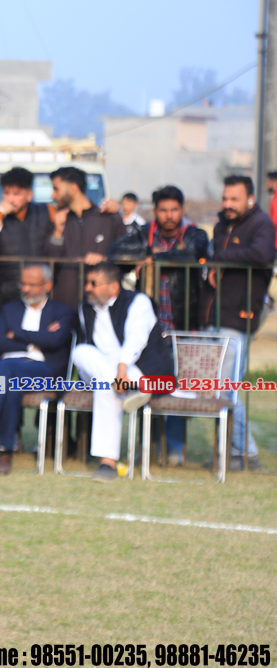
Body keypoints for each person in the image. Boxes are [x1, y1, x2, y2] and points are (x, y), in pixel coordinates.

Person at [108, 185, 208, 465]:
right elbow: (115, 252)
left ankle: (174, 450)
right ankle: (147, 448)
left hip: (184, 326)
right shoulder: (144, 233)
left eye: (174, 209)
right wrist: (146, 253)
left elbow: (194, 254)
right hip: (151, 331)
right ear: (155, 211)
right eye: (163, 210)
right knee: (146, 385)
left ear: (182, 210)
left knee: (177, 387)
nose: (169, 215)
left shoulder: (194, 233)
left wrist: (154, 258)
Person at [0, 263, 74, 475]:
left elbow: (56, 341)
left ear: (47, 285)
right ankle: (5, 453)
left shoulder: (62, 312)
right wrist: (34, 342)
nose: (26, 289)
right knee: (11, 382)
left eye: (32, 285)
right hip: (11, 372)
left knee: (5, 367)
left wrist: (16, 333)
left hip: (43, 371)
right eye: (23, 284)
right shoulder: (10, 309)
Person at [200, 175, 277, 471]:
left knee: (226, 388)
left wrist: (221, 258)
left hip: (239, 316)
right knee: (215, 389)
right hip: (213, 315)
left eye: (234, 199)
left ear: (250, 199)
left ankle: (246, 453)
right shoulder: (222, 224)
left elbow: (262, 254)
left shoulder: (261, 224)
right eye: (225, 198)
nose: (228, 204)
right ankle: (231, 451)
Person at [73, 262, 174, 482]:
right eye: (87, 283)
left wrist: (121, 371)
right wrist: (117, 377)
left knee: (105, 386)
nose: (87, 288)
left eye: (93, 283)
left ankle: (107, 463)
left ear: (113, 286)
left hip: (139, 370)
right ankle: (128, 389)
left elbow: (135, 339)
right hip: (109, 372)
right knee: (79, 352)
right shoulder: (85, 307)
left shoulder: (138, 302)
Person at [0, 167, 55, 317]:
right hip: (7, 294)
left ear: (29, 195)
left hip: (42, 294)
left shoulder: (47, 211)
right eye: (7, 193)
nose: (10, 199)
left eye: (17, 194)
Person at [45, 167, 126, 308]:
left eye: (56, 189)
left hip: (101, 307)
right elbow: (48, 263)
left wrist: (104, 260)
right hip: (64, 304)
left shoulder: (109, 219)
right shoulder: (58, 220)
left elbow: (126, 259)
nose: (53, 195)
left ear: (73, 188)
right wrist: (57, 232)